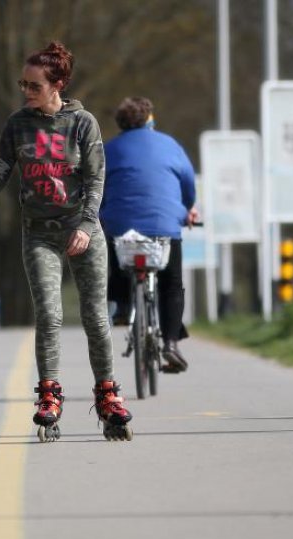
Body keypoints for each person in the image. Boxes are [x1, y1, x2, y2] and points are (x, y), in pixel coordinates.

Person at [0, 41, 133, 441]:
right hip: (39, 235)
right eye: (22, 84)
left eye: (33, 85)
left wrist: (84, 225)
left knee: (96, 317)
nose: (26, 92)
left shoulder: (83, 124)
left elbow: (97, 180)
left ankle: (107, 394)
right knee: (49, 315)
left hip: (83, 230)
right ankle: (49, 394)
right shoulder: (17, 124)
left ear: (57, 84)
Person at [99, 96, 199, 372]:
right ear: (150, 120)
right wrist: (188, 209)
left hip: (121, 226)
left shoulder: (109, 149)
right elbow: (188, 184)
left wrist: (102, 215)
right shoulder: (170, 145)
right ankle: (170, 343)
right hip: (164, 223)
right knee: (172, 283)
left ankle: (121, 305)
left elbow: (96, 188)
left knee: (115, 255)